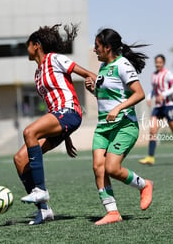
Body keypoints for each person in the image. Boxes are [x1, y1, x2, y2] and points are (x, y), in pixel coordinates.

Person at [13, 24, 97, 225]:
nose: (27, 49)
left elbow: (89, 75)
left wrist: (92, 84)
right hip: (59, 120)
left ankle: (40, 191)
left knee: (29, 132)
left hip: (69, 112)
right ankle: (44, 211)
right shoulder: (37, 74)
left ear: (37, 45)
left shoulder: (56, 59)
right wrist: (64, 137)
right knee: (19, 159)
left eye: (28, 45)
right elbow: (52, 107)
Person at [84, 28, 153, 225]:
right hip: (103, 127)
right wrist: (93, 90)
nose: (95, 50)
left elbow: (139, 93)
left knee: (112, 168)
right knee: (98, 167)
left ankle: (145, 185)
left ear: (107, 47)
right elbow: (108, 97)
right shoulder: (104, 67)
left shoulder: (122, 64)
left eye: (97, 47)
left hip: (124, 126)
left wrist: (119, 108)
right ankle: (112, 212)